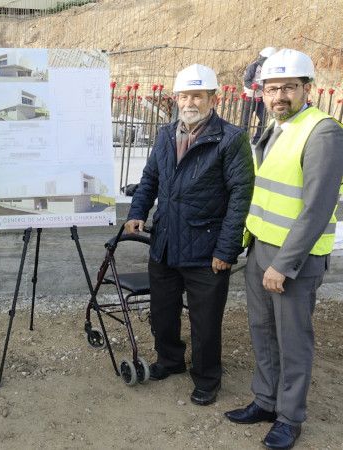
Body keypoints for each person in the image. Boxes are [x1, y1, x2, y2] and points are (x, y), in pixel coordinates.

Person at [224, 49, 343, 450]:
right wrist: (249, 245)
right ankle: (265, 400)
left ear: (307, 88)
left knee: (292, 340)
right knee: (262, 331)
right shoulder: (276, 128)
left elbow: (317, 207)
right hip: (261, 248)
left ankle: (290, 417)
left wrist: (283, 265)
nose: (279, 96)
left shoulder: (322, 131)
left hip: (294, 259)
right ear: (262, 92)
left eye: (289, 87)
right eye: (272, 88)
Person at [125, 64, 254, 406]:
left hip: (206, 248)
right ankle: (169, 360)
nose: (190, 102)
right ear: (176, 98)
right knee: (163, 312)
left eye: (198, 95)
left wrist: (226, 250)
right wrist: (137, 212)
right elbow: (149, 178)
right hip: (165, 243)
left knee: (205, 322)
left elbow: (241, 197)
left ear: (213, 97)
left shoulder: (231, 139)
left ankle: (207, 378)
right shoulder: (167, 135)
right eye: (184, 95)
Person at [242, 47, 276, 144]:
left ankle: (256, 140)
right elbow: (246, 81)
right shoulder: (253, 67)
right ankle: (243, 140)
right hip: (249, 96)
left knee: (263, 118)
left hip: (261, 97)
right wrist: (255, 87)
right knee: (246, 120)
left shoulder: (270, 68)